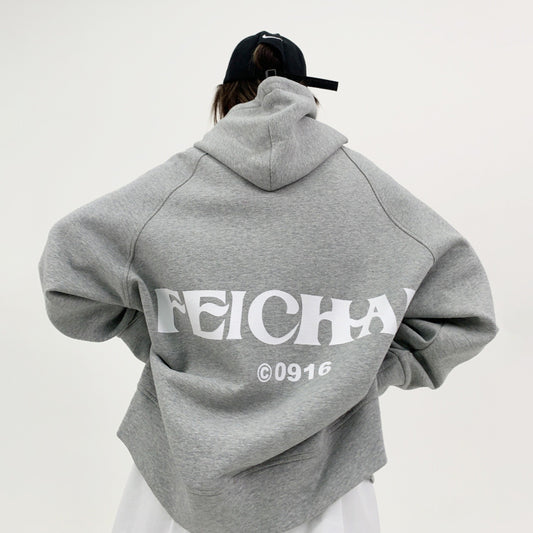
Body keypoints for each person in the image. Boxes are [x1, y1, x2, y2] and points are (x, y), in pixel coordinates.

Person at [37, 30, 499, 533]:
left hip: (174, 487)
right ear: (309, 96)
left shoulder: (172, 190)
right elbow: (466, 312)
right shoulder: (371, 196)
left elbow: (67, 278)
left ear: (224, 98)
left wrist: (168, 332)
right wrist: (359, 369)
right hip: (330, 488)